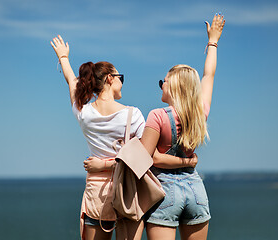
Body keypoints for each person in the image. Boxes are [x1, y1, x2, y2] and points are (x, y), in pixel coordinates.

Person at [50, 36, 198, 240]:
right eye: (121, 77)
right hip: (128, 192)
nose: (122, 82)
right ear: (110, 78)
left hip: (96, 193)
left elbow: (71, 80)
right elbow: (143, 158)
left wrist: (64, 57)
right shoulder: (132, 114)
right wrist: (188, 160)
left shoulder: (84, 112)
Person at [140, 13, 225, 240]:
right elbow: (209, 74)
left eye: (163, 83)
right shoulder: (200, 114)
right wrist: (213, 41)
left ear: (175, 87)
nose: (161, 87)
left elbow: (147, 159)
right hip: (196, 190)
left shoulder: (157, 116)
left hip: (164, 192)